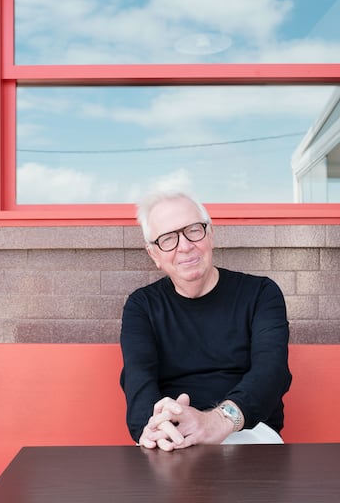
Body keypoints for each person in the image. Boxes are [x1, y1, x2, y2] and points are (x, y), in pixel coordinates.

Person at [119, 189, 292, 451]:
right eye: (168, 239)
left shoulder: (260, 293)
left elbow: (271, 373)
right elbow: (138, 379)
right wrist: (154, 426)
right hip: (170, 433)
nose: (185, 246)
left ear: (210, 234)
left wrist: (217, 421)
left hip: (245, 429)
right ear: (154, 254)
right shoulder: (141, 306)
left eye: (193, 230)